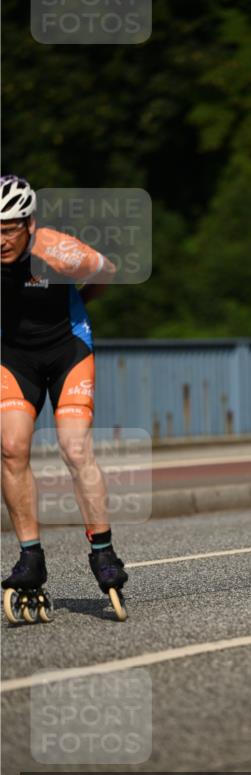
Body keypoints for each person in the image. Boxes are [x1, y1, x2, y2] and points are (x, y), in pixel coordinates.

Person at [1, 174, 128, 622]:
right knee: (12, 447)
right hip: (13, 356)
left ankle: (103, 551)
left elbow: (106, 271)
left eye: (10, 227)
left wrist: (79, 300)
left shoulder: (55, 249)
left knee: (74, 447)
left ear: (29, 223)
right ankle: (30, 556)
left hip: (68, 349)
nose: (1, 239)